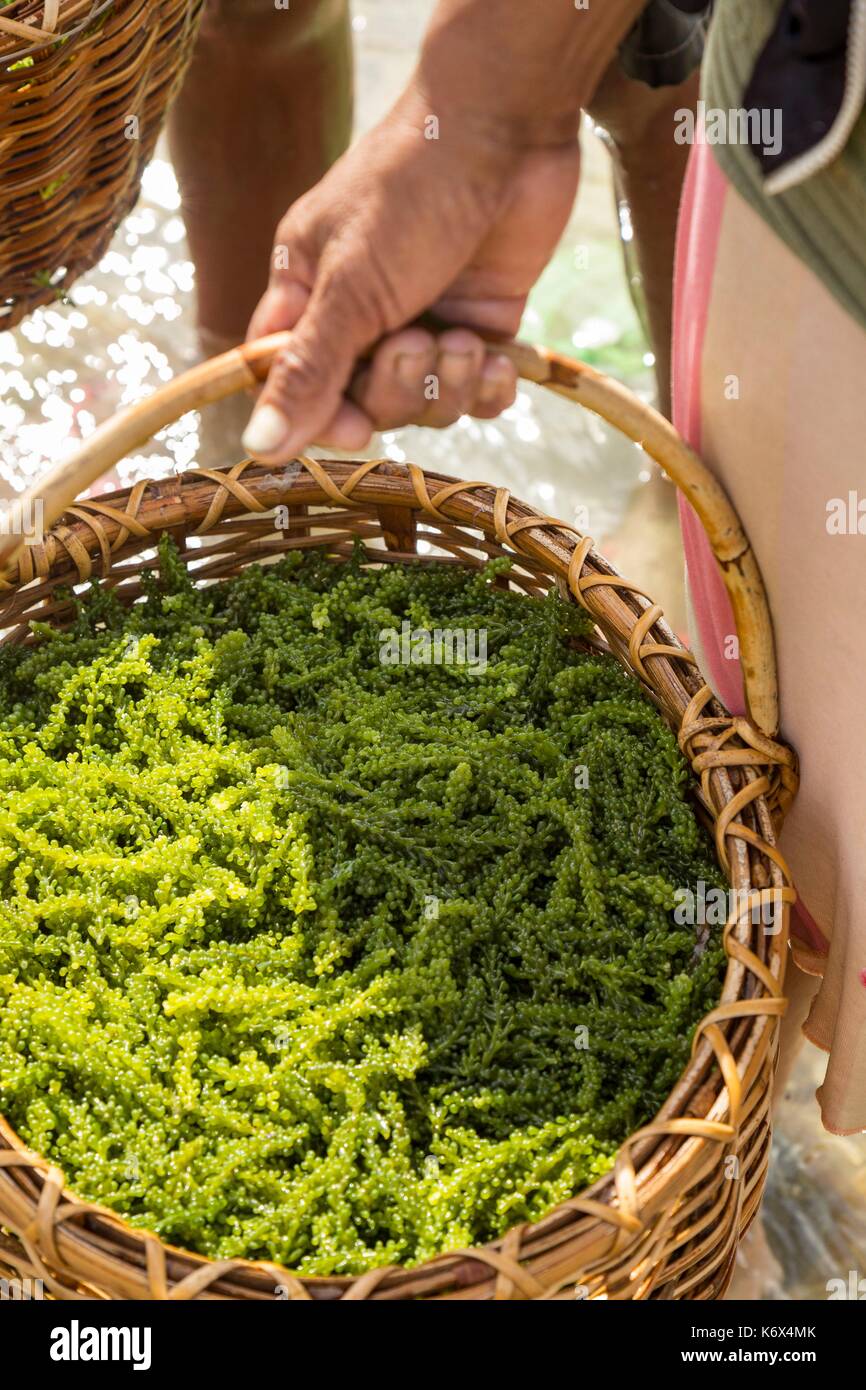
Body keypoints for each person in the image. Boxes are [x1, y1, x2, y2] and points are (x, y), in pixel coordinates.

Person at [182, 1, 866, 1143]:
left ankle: (745, 1154)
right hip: (809, 134)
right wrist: (493, 112)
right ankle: (735, 1143)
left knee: (803, 822)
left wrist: (491, 113)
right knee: (795, 822)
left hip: (811, 177)